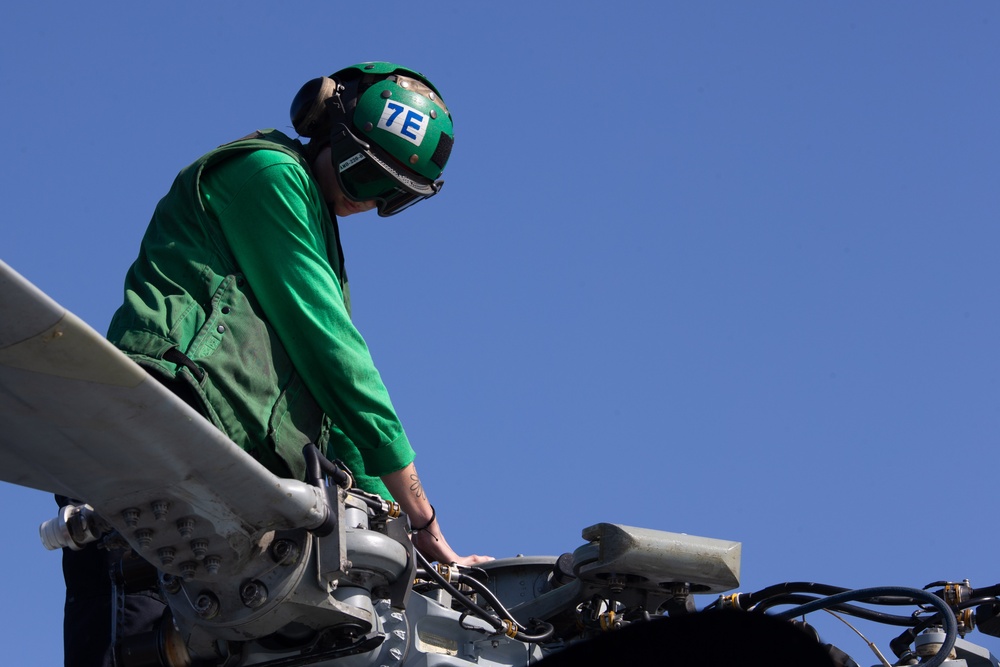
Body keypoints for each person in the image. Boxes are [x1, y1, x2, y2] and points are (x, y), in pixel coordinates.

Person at [62, 61, 489, 667]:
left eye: (387, 191)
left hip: (231, 474)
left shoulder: (318, 235)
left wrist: (405, 548)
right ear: (328, 125)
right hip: (158, 423)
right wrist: (422, 516)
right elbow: (335, 357)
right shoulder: (268, 175)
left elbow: (335, 420)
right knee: (130, 643)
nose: (363, 197)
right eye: (360, 169)